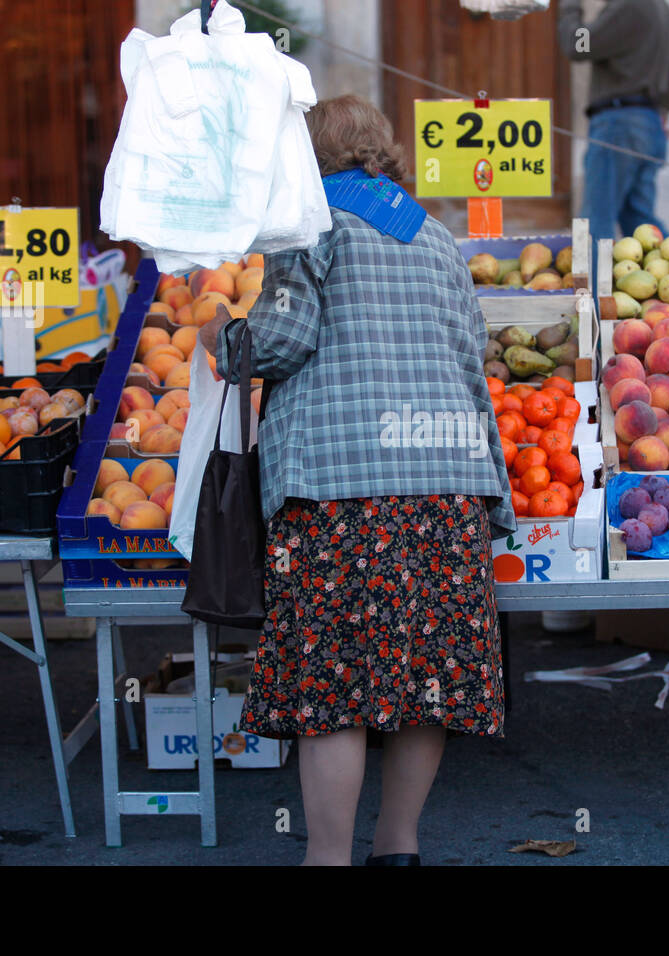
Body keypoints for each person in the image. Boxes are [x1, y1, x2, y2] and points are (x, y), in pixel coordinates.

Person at [198, 95, 516, 867]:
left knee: (331, 686)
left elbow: (283, 337)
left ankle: (327, 859)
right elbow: (474, 352)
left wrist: (219, 334)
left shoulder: (306, 227)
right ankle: (398, 849)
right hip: (444, 485)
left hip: (339, 489)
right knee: (424, 678)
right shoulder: (437, 236)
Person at [557, 0, 669, 240]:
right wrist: (663, 108)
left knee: (594, 220)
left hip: (618, 125)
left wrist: (571, 6)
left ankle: (589, 279)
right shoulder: (658, 7)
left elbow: (577, 45)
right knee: (639, 220)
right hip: (647, 122)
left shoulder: (627, 6)